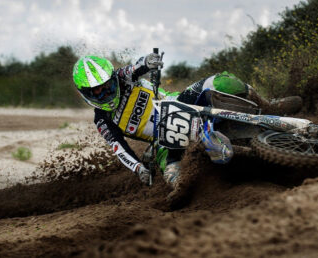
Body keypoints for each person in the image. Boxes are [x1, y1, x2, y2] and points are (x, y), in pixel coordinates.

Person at [71, 53, 302, 195]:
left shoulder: (123, 77)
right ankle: (205, 195)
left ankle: (268, 105)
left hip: (181, 103)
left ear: (113, 78)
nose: (105, 93)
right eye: (97, 92)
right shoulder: (102, 119)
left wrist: (149, 62)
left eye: (108, 86)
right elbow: (119, 148)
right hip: (162, 142)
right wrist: (138, 168)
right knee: (173, 175)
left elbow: (138, 66)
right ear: (86, 94)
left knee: (218, 81)